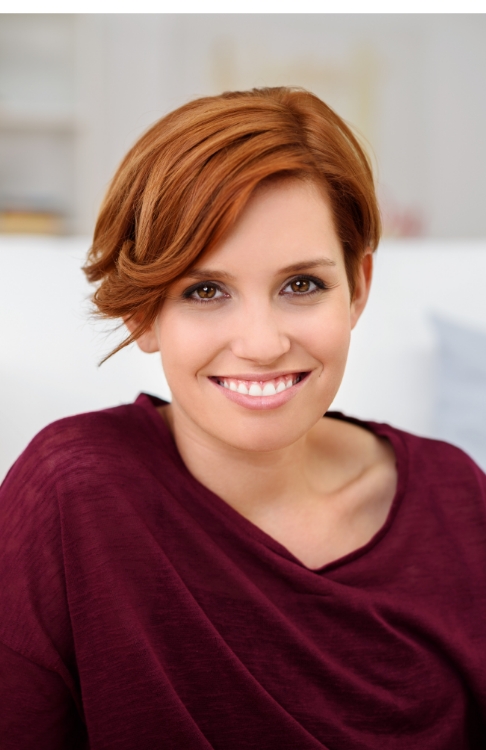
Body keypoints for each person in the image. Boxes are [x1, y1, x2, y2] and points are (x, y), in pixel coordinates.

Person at [1, 87, 485, 750]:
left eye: (301, 285)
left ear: (358, 289)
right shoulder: (70, 494)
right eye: (206, 291)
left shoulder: (458, 498)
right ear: (145, 313)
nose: (261, 343)